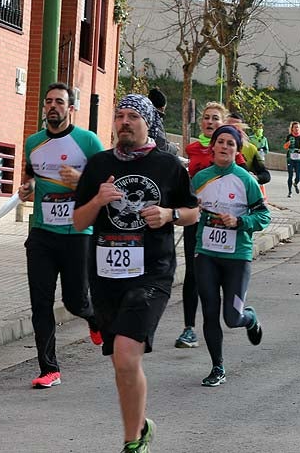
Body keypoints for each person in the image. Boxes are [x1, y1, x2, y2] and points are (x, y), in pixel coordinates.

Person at [73, 94, 200, 453]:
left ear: (147, 123)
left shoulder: (168, 166)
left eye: (132, 116)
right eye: (120, 115)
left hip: (151, 274)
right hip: (106, 275)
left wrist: (169, 215)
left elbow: (193, 212)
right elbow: (78, 220)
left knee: (128, 354)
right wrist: (98, 200)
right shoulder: (98, 166)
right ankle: (140, 425)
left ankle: (131, 444)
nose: (124, 122)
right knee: (121, 363)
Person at [19, 82, 104, 389]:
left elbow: (108, 184)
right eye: (48, 101)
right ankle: (49, 368)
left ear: (70, 109)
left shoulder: (88, 141)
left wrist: (81, 181)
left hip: (78, 233)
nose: (52, 106)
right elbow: (30, 178)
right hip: (42, 233)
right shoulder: (33, 142)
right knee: (40, 304)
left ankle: (94, 318)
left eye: (59, 102)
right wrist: (27, 189)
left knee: (75, 301)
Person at [191, 125, 270, 387]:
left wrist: (239, 221)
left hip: (237, 257)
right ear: (212, 146)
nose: (225, 147)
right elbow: (186, 210)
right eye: (220, 142)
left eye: (230, 144)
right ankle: (218, 367)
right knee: (210, 312)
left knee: (231, 317)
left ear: (237, 151)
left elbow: (264, 216)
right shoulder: (200, 179)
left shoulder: (246, 180)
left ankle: (250, 318)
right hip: (207, 255)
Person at [180, 102, 245, 350]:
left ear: (223, 123)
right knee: (192, 273)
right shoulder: (193, 149)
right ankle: (189, 328)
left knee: (218, 276)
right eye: (206, 118)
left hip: (224, 224)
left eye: (215, 118)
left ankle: (233, 313)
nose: (209, 122)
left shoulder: (232, 151)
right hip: (197, 220)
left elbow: (246, 180)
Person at [226, 113, 271, 186]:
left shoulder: (250, 149)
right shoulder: (215, 147)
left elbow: (265, 175)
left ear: (243, 130)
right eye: (228, 127)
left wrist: (254, 178)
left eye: (236, 127)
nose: (231, 131)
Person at [146, 88, 178, 155]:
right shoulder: (155, 121)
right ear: (163, 108)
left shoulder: (144, 116)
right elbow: (162, 148)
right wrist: (174, 147)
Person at [284, 121, 300, 197]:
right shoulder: (289, 137)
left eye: (298, 127)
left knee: (298, 176)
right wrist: (288, 144)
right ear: (292, 129)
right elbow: (285, 147)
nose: (296, 129)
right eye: (295, 127)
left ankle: (295, 183)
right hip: (290, 158)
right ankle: (290, 192)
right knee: (290, 175)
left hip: (298, 158)